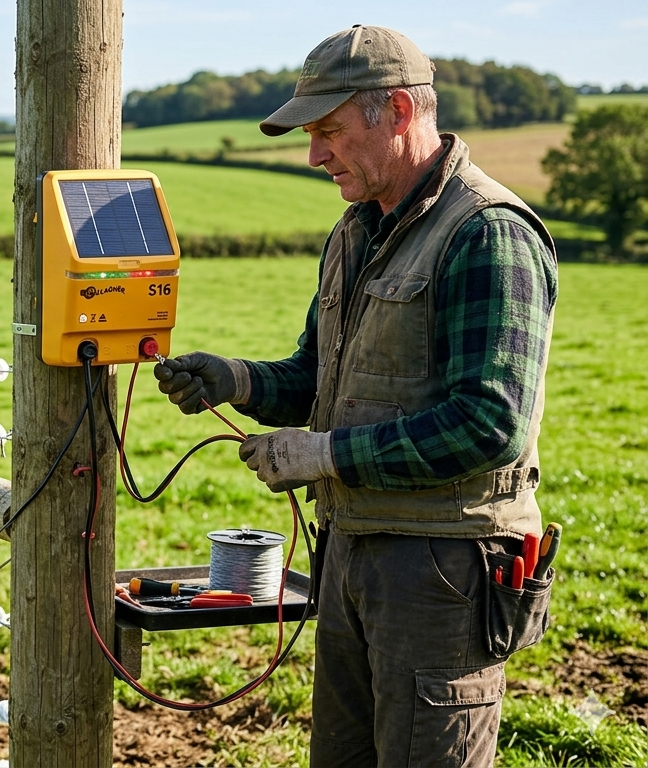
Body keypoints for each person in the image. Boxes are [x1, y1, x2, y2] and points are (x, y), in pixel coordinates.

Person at [154, 25, 557, 768]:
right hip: (350, 554)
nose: (314, 155)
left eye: (329, 131)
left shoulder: (487, 232)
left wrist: (323, 455)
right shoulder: (354, 231)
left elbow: (489, 423)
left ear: (398, 112)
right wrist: (234, 378)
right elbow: (318, 377)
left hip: (443, 569)